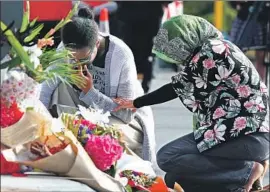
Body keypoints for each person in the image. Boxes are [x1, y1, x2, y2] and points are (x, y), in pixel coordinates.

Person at [114, 15, 269, 192]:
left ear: (187, 38)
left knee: (168, 157)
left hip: (245, 135)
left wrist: (136, 102)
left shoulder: (212, 51)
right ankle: (241, 183)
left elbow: (176, 87)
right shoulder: (218, 48)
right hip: (239, 134)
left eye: (176, 49)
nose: (177, 57)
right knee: (175, 178)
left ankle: (246, 172)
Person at [39, 7, 156, 163]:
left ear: (96, 43)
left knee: (98, 138)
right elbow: (44, 88)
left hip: (122, 122)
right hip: (84, 115)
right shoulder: (66, 49)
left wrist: (90, 92)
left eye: (84, 59)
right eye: (72, 58)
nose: (78, 63)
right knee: (59, 87)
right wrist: (40, 125)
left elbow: (126, 115)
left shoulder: (120, 55)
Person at [116, 2, 168, 93]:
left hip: (130, 17)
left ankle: (130, 84)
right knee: (147, 53)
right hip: (151, 18)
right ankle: (144, 85)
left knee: (129, 52)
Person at [230, 1, 269, 84]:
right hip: (244, 17)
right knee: (233, 52)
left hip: (262, 18)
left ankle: (259, 86)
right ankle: (235, 83)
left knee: (261, 55)